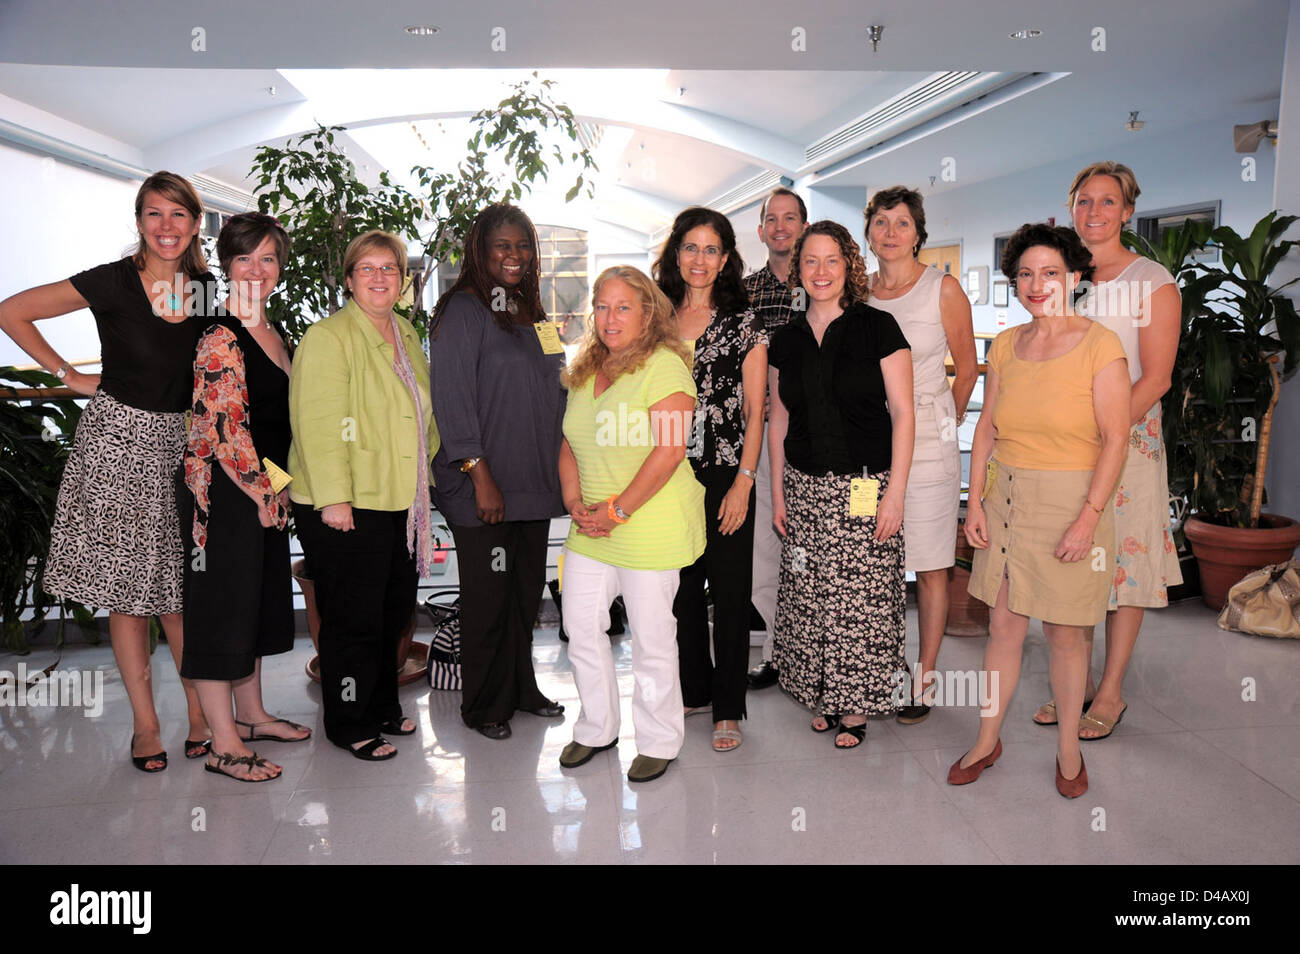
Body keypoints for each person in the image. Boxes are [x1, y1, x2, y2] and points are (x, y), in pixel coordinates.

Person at [0, 171, 214, 772]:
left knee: (179, 591)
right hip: (117, 444)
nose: (166, 227)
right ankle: (147, 726)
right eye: (154, 214)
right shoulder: (113, 281)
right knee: (130, 595)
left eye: (178, 215)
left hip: (180, 448)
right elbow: (12, 312)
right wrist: (68, 375)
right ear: (139, 221)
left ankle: (200, 712)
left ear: (196, 223)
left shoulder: (205, 289)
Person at [953, 223, 1130, 798]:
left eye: (1049, 272)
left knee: (1066, 634)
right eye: (1025, 274)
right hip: (1007, 499)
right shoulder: (1006, 344)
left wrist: (1088, 518)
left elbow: (1117, 438)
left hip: (1072, 502)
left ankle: (1069, 751)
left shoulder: (1102, 345)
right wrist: (974, 498)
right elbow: (986, 430)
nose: (1036, 284)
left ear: (1075, 277)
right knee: (1002, 627)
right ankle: (987, 740)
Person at [1030, 162, 1183, 741]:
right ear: (1071, 209)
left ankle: (1111, 691)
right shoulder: (1063, 275)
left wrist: (1107, 431)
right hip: (1063, 447)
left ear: (1127, 211)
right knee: (1075, 565)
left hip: (1128, 441)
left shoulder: (1151, 280)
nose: (1094, 212)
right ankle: (1075, 684)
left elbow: (1158, 376)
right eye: (1084, 201)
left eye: (1107, 202)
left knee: (1124, 566)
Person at [287, 230, 439, 762]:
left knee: (391, 611)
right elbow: (318, 424)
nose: (379, 277)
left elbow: (422, 416)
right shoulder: (328, 338)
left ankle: (378, 705)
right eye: (367, 268)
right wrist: (334, 498)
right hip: (346, 503)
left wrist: (428, 480)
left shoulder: (403, 331)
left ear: (403, 280)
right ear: (349, 279)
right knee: (352, 619)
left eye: (390, 268)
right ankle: (348, 720)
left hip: (400, 500)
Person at [767, 221, 914, 749]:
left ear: (849, 265)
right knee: (812, 593)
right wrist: (780, 493)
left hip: (866, 484)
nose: (821, 271)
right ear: (798, 269)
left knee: (863, 597)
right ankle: (824, 693)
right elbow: (779, 420)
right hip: (805, 487)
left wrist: (895, 492)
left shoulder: (879, 327)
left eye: (832, 260)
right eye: (810, 261)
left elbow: (902, 411)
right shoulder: (785, 339)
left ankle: (856, 704)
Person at [556, 266, 705, 783]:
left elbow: (670, 449)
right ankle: (597, 727)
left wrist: (618, 510)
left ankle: (660, 739)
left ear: (647, 313)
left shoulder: (666, 366)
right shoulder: (585, 367)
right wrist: (575, 501)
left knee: (652, 638)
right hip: (591, 526)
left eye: (623, 307)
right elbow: (570, 442)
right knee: (580, 628)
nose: (610, 317)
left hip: (648, 524)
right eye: (602, 306)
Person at [178, 212, 310, 783]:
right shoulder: (220, 331)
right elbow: (221, 429)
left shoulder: (272, 332)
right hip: (226, 498)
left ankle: (251, 716)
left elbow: (278, 430)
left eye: (268, 258)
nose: (257, 270)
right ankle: (223, 744)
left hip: (263, 492)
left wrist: (276, 492)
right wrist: (262, 494)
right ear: (226, 264)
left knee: (250, 606)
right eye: (244, 258)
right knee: (218, 613)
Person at [429, 203, 566, 741]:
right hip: (484, 484)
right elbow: (452, 399)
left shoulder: (535, 315)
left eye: (523, 245)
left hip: (533, 483)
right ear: (480, 252)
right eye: (502, 246)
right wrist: (479, 473)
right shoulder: (461, 311)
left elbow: (558, 389)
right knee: (487, 599)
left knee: (525, 596)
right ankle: (483, 704)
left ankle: (522, 688)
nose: (514, 256)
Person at [652, 207, 766, 753]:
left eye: (711, 249)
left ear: (726, 259)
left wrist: (745, 481)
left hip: (724, 470)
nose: (700, 259)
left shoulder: (745, 321)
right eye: (691, 248)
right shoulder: (657, 319)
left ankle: (728, 706)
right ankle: (693, 687)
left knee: (728, 587)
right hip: (667, 470)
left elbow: (756, 411)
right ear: (677, 253)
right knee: (682, 589)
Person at [865, 186, 978, 724]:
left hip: (929, 449)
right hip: (867, 448)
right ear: (869, 231)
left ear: (918, 233)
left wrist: (942, 422)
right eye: (881, 222)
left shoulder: (942, 289)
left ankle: (924, 676)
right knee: (871, 559)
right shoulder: (856, 293)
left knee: (931, 565)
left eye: (902, 223)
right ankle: (875, 669)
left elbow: (969, 367)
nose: (890, 232)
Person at [743, 187, 806, 691]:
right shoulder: (743, 294)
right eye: (772, 219)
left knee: (815, 546)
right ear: (761, 230)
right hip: (766, 436)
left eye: (791, 218)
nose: (781, 227)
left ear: (804, 226)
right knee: (766, 543)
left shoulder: (830, 281)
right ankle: (775, 652)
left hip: (824, 439)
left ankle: (816, 650)